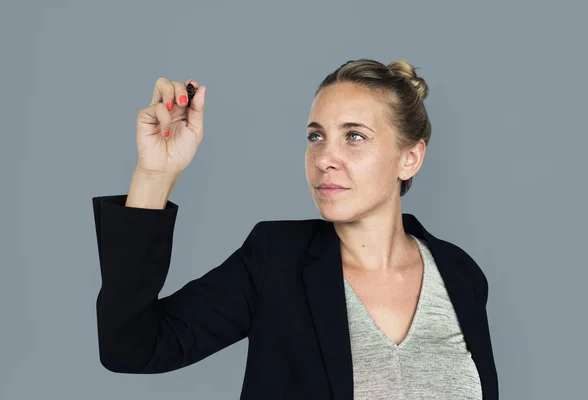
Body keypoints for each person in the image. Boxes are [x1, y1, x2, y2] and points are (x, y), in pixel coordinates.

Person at [92, 58, 498, 399]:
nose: (325, 158)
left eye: (354, 136)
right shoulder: (276, 261)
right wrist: (154, 174)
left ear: (410, 158)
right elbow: (132, 348)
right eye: (315, 137)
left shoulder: (459, 275)